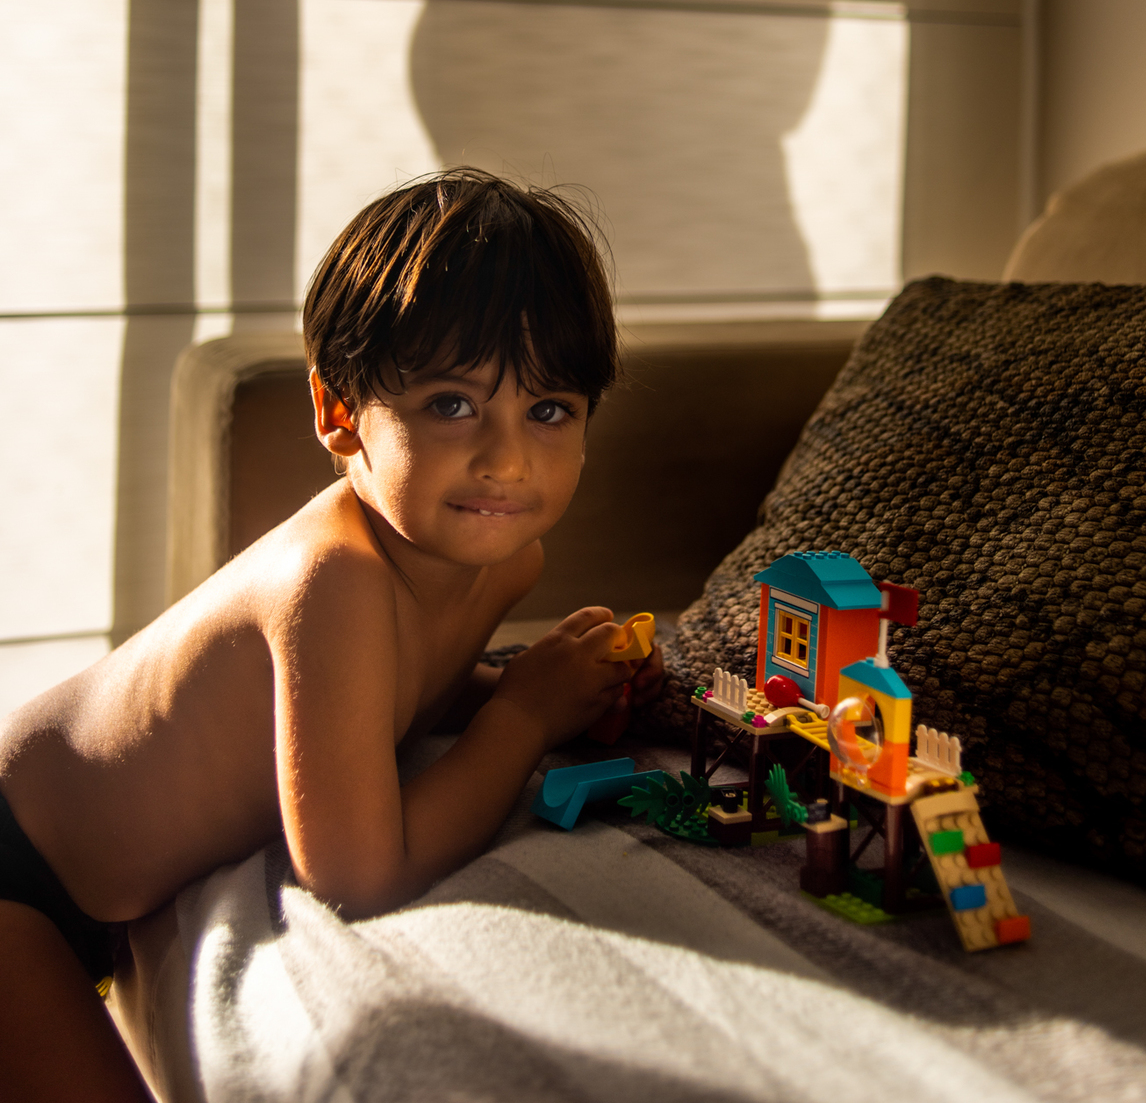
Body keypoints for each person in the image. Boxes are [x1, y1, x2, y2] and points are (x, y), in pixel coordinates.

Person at [0, 169, 660, 1102]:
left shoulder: (512, 563)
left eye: (548, 411)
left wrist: (559, 684)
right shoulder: (334, 582)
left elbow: (403, 693)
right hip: (19, 878)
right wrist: (521, 716)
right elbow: (359, 873)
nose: (507, 459)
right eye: (453, 405)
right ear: (339, 414)